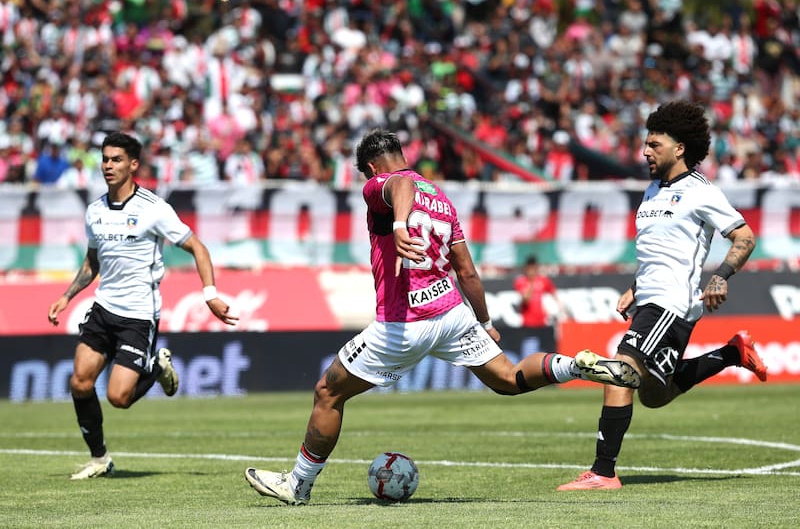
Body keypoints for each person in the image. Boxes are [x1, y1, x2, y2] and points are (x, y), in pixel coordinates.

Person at [243, 128, 641, 506]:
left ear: (370, 169)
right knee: (508, 379)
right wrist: (485, 322)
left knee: (328, 393)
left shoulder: (381, 184)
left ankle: (298, 484)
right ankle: (577, 365)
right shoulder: (443, 202)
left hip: (404, 322)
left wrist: (398, 225)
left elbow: (400, 184)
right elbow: (466, 270)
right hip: (452, 313)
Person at [557, 100, 768, 491]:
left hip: (670, 304)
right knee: (655, 394)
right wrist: (634, 287)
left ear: (679, 148)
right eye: (645, 143)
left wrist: (721, 276)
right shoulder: (652, 190)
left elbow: (744, 236)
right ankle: (733, 353)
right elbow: (658, 250)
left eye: (654, 144)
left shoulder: (701, 191)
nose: (645, 151)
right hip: (649, 299)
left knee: (619, 373)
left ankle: (603, 472)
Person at [47, 132, 239, 480]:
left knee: (119, 398)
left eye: (116, 159)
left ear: (133, 165)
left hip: (138, 315)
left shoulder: (153, 209)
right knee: (79, 382)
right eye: (105, 159)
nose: (108, 165)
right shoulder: (95, 211)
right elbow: (92, 263)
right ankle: (100, 459)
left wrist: (210, 293)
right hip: (104, 308)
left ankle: (155, 366)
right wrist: (67, 295)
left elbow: (198, 247)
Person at [513, 254, 566, 353]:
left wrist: (559, 308)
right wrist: (531, 283)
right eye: (530, 268)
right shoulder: (521, 281)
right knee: (529, 355)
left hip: (544, 325)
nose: (532, 270)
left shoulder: (544, 280)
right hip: (529, 326)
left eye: (534, 267)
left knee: (548, 356)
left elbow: (553, 293)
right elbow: (525, 299)